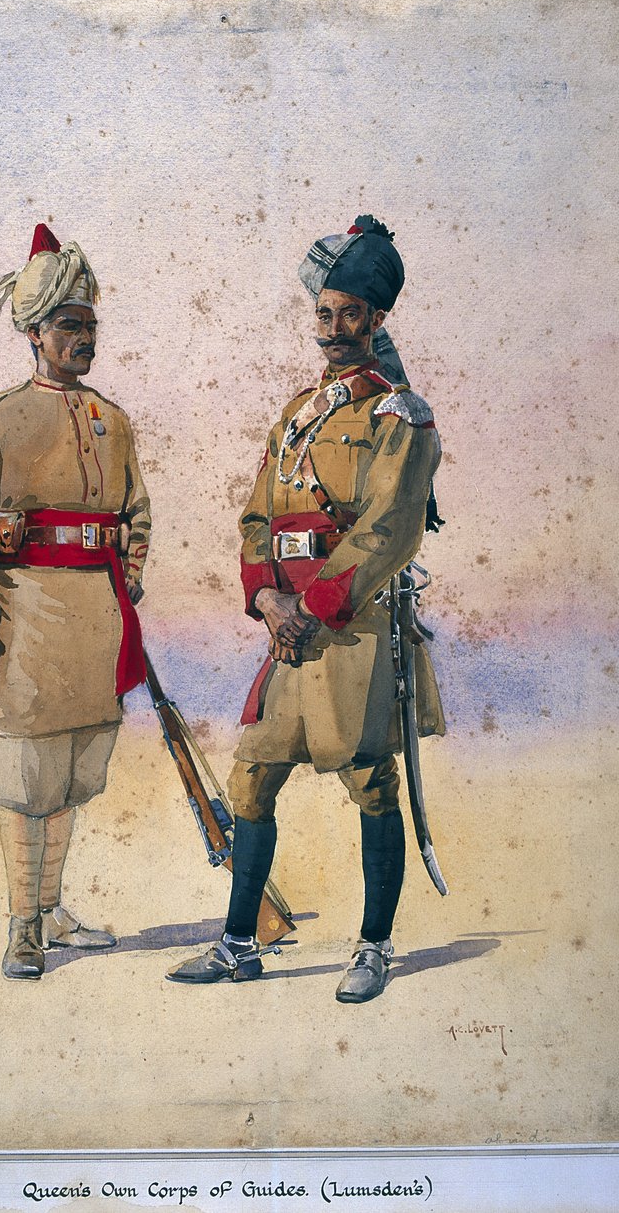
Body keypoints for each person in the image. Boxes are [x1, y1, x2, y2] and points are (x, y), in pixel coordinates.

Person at [167, 214, 445, 1003]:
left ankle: (375, 947)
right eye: (323, 314)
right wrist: (265, 597)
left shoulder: (399, 416)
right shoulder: (296, 413)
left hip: (351, 628)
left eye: (349, 314)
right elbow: (257, 516)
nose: (332, 329)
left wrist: (311, 608)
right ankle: (238, 945)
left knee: (369, 783)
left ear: (377, 318)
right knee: (251, 778)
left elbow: (389, 529)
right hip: (288, 630)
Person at [0, 224, 150, 980]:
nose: (83, 338)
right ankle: (21, 925)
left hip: (95, 624)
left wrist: (130, 579)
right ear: (34, 332)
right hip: (21, 623)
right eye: (68, 325)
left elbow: (136, 515)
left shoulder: (112, 421)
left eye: (90, 325)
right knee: (26, 778)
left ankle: (53, 908)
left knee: (72, 774)